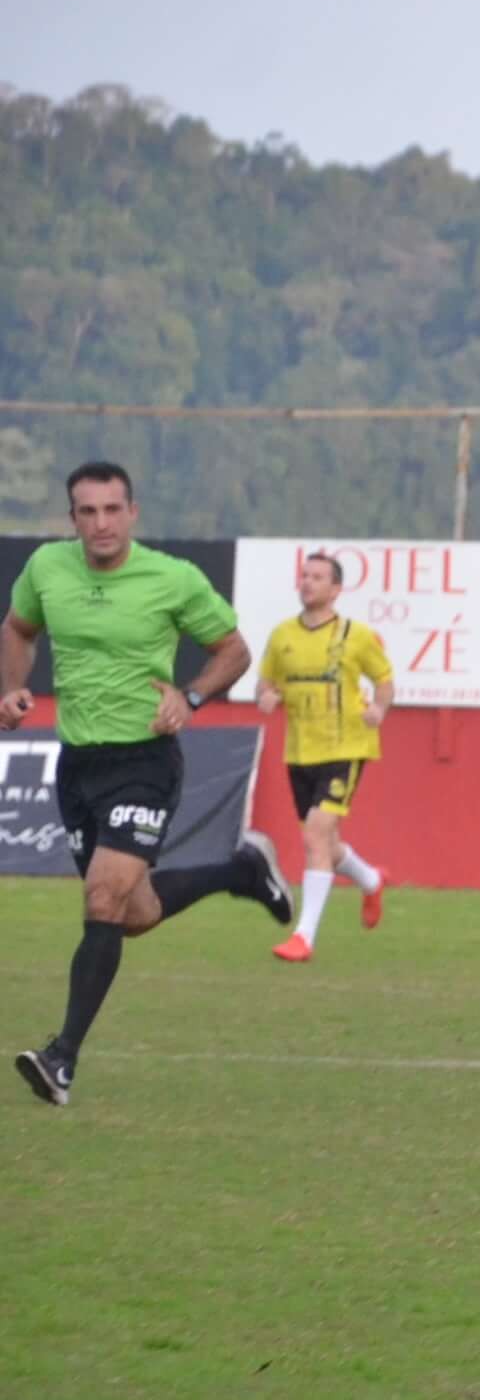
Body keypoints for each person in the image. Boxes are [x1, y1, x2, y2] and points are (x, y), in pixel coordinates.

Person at [0, 460, 293, 1105]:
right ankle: (240, 871)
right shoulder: (47, 570)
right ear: (71, 518)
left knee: (103, 898)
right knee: (131, 915)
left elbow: (234, 651)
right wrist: (12, 688)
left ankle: (61, 1060)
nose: (100, 523)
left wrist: (190, 696)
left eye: (112, 510)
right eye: (87, 512)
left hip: (146, 762)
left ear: (132, 512)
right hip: (77, 766)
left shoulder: (173, 578)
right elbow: (18, 630)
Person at [252, 550, 397, 962]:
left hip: (346, 747)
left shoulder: (357, 636)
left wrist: (379, 710)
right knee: (326, 844)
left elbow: (385, 682)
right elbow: (265, 684)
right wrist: (265, 696)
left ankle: (304, 937)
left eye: (317, 577)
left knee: (314, 834)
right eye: (304, 575)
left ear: (336, 589)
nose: (307, 582)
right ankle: (370, 881)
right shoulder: (282, 636)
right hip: (300, 750)